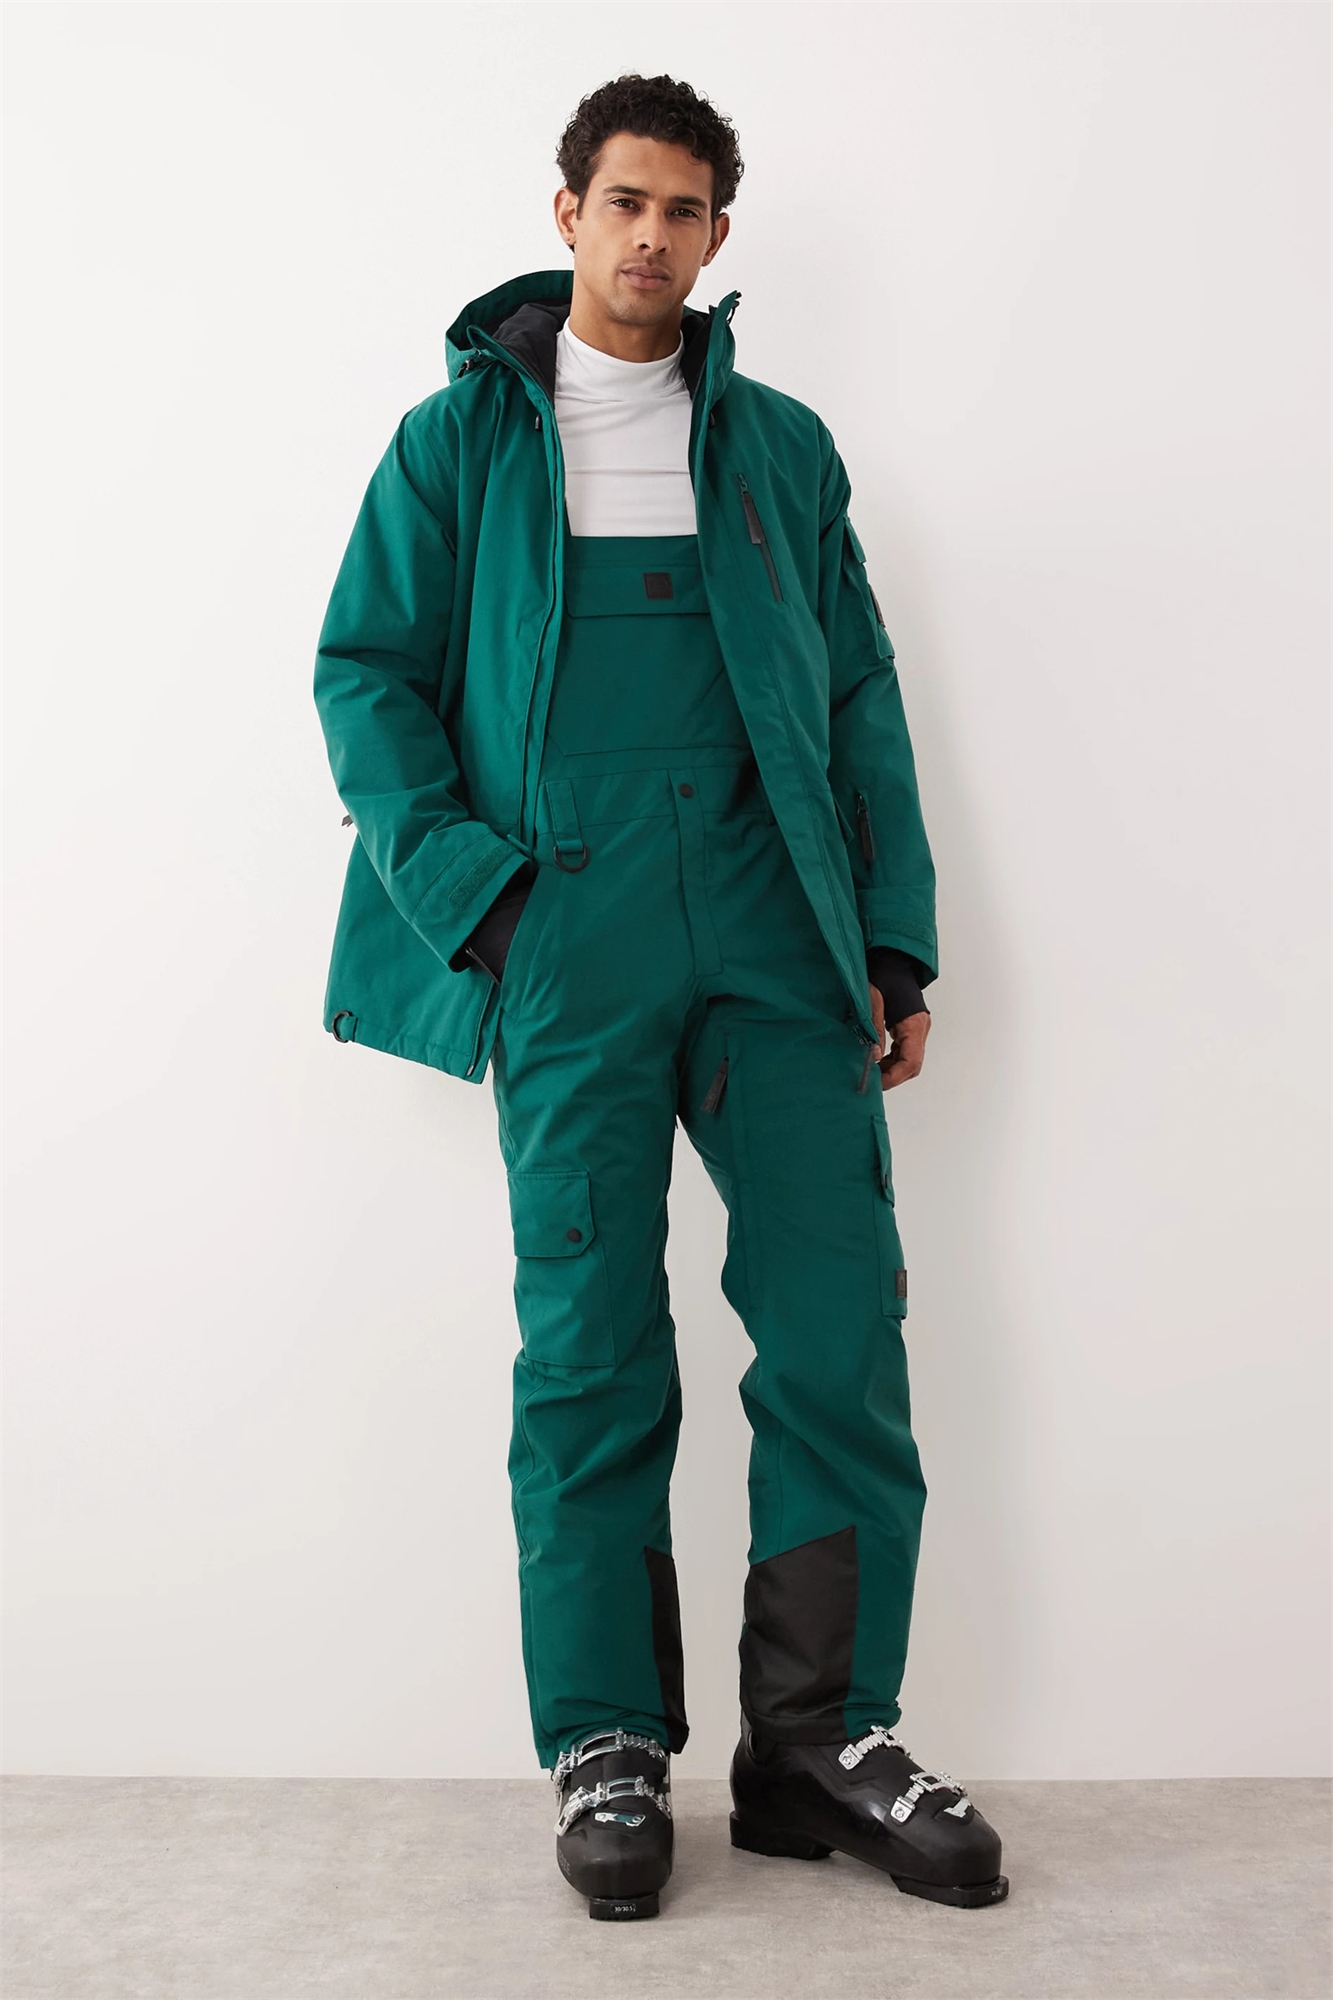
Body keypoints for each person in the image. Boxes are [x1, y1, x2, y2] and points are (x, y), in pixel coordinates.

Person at [313, 72, 1008, 1920]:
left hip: (777, 930)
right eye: (621, 201)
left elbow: (855, 695)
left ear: (715, 236)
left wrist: (892, 938)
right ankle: (607, 1743)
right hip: (566, 931)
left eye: (682, 210)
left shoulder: (779, 447)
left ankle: (821, 1743)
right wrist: (479, 903)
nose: (648, 236)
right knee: (593, 1352)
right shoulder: (455, 447)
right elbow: (363, 675)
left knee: (839, 1334)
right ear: (567, 213)